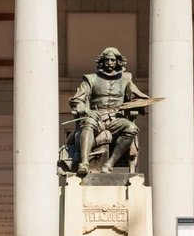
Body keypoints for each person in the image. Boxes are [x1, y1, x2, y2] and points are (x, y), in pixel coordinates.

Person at [62, 47, 154, 177]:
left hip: (116, 119)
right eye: (106, 60)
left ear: (118, 62)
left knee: (132, 128)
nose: (109, 63)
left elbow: (137, 97)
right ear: (102, 61)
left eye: (112, 60)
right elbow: (77, 100)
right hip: (96, 116)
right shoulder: (90, 79)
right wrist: (87, 111)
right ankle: (84, 163)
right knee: (88, 123)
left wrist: (135, 105)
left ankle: (109, 164)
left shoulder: (126, 79)